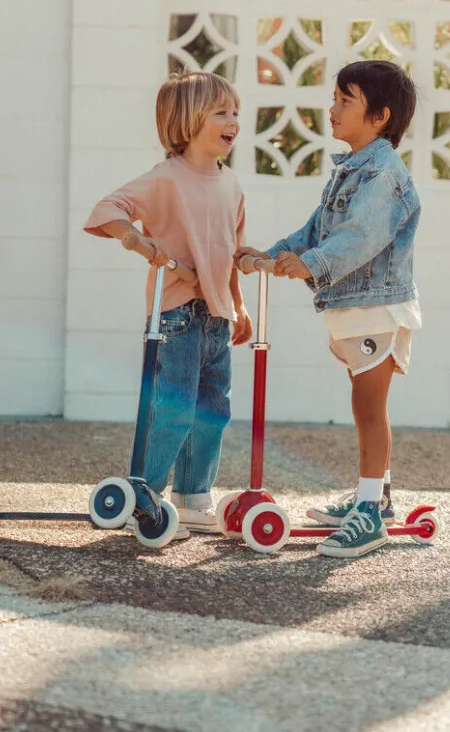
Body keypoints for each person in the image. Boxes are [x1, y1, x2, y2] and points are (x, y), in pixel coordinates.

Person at [236, 60, 420, 559]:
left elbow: (358, 238)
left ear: (379, 116)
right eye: (335, 98)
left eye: (345, 100)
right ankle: (374, 498)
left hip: (376, 309)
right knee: (365, 405)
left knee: (368, 406)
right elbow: (317, 228)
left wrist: (309, 264)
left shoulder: (382, 174)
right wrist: (272, 257)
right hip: (355, 307)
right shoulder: (352, 168)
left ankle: (369, 512)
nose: (332, 108)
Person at [84, 70, 252, 538]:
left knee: (212, 409)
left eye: (235, 112)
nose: (233, 120)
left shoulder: (232, 184)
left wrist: (237, 305)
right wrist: (138, 240)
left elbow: (232, 251)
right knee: (172, 409)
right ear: (188, 119)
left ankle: (195, 496)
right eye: (221, 112)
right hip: (177, 316)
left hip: (217, 317)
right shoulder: (166, 178)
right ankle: (147, 493)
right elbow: (108, 210)